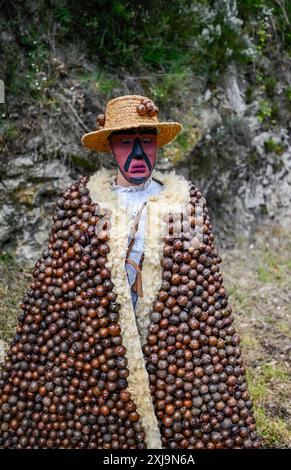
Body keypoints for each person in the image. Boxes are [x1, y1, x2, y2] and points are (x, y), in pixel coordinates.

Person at [0, 95, 260, 449]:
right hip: (100, 333)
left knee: (177, 406)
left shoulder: (186, 202)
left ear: (156, 145)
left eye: (146, 142)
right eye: (126, 142)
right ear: (110, 147)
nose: (138, 153)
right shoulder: (82, 202)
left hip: (168, 333)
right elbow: (58, 282)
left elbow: (204, 288)